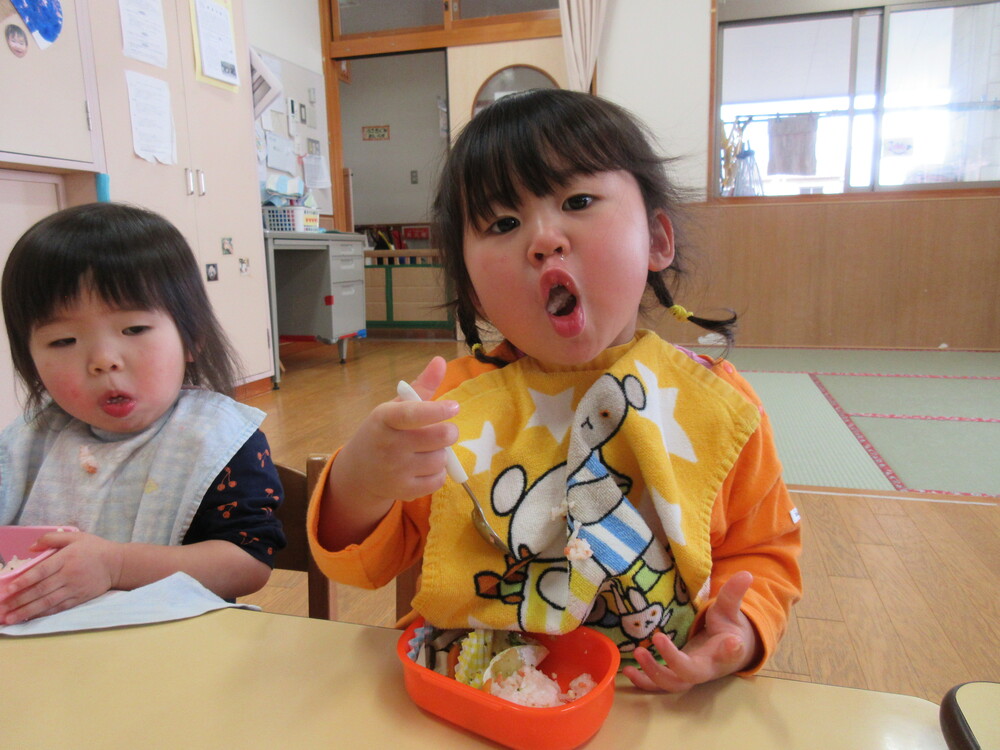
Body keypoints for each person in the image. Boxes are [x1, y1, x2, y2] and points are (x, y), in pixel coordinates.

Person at [308, 89, 801, 692]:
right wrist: (363, 475)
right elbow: (360, 557)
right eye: (503, 223)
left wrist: (738, 631)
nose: (544, 239)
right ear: (470, 284)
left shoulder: (719, 406)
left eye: (579, 200)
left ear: (656, 240)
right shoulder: (453, 410)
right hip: (468, 697)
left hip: (648, 697)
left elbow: (766, 552)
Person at [0, 202, 285, 624]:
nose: (103, 360)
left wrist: (115, 565)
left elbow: (247, 561)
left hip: (175, 645)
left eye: (133, 330)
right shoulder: (30, 438)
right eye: (63, 340)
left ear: (192, 338)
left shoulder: (216, 439)